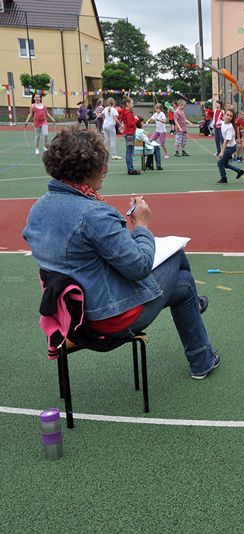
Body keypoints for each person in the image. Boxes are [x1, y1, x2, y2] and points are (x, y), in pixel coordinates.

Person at [22, 127, 220, 379]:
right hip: (107, 317)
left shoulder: (37, 208)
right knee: (177, 256)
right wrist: (142, 226)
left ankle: (202, 357)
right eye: (100, 165)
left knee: (183, 286)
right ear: (88, 169)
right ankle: (200, 355)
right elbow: (139, 267)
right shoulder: (94, 214)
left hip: (69, 316)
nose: (105, 170)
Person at [216, 108, 244, 184]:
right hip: (229, 147)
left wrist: (221, 152)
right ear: (224, 115)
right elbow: (218, 123)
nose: (229, 117)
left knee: (220, 163)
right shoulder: (222, 123)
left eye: (231, 116)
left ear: (232, 118)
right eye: (227, 115)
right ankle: (239, 171)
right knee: (225, 164)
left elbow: (226, 142)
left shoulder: (230, 127)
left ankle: (224, 178)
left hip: (231, 148)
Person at [117, 98, 140, 175]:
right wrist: (136, 119)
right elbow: (131, 124)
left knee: (129, 151)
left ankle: (130, 168)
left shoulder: (124, 112)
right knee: (130, 152)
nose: (133, 105)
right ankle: (130, 169)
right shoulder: (128, 113)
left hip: (127, 133)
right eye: (132, 103)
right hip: (130, 134)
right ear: (127, 104)